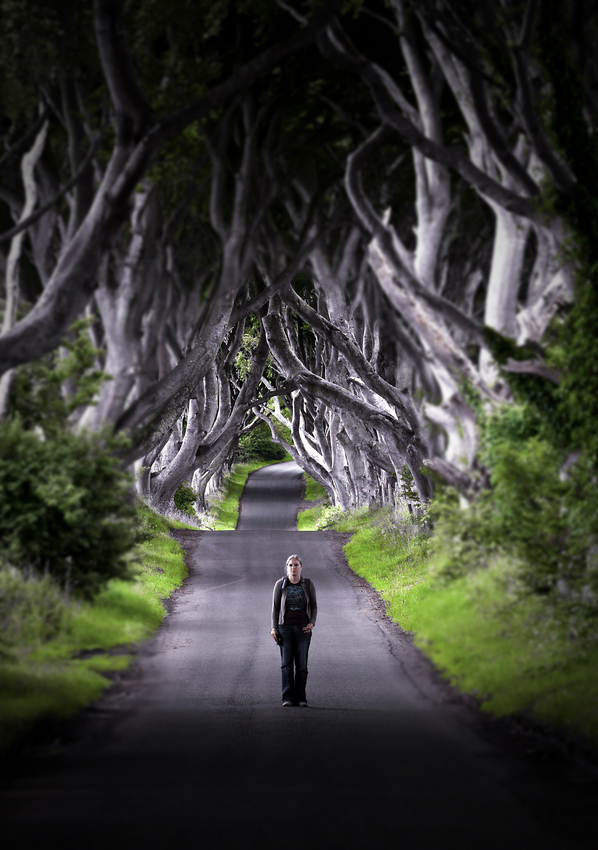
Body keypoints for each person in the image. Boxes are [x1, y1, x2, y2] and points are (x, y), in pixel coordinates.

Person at [271, 554, 317, 707]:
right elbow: (275, 608)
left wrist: (311, 623)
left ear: (301, 567)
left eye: (296, 565)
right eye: (290, 565)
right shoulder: (280, 584)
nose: (293, 568)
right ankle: (288, 698)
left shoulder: (308, 584)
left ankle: (301, 698)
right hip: (285, 629)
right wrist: (274, 628)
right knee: (286, 665)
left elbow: (314, 606)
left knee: (302, 666)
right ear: (287, 567)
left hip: (303, 629)